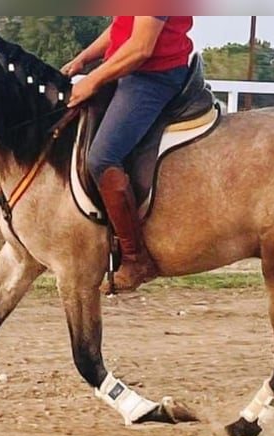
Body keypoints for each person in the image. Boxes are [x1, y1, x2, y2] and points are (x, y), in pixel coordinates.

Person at [61, 16, 194, 292]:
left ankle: (136, 259)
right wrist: (83, 58)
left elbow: (141, 47)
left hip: (152, 75)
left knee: (102, 157)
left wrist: (92, 81)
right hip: (128, 69)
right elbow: (122, 26)